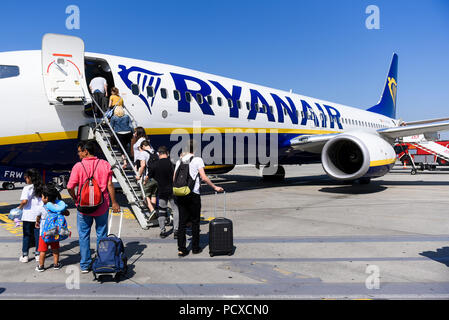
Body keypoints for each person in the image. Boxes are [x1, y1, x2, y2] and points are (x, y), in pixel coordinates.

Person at [67, 140, 120, 273]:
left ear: (86, 151)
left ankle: (85, 265)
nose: (78, 154)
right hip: (101, 206)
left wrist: (75, 198)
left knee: (84, 235)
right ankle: (101, 260)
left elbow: (69, 186)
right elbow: (109, 185)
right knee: (101, 234)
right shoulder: (105, 164)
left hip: (83, 207)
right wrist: (114, 202)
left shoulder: (78, 167)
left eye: (79, 151)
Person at [174, 140, 223, 256]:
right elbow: (204, 177)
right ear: (195, 149)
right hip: (193, 194)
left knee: (181, 222)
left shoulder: (179, 161)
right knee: (195, 221)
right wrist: (214, 187)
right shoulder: (197, 160)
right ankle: (195, 248)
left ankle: (182, 249)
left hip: (180, 194)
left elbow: (174, 178)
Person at [34, 185, 70, 272]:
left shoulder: (42, 207)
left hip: (44, 233)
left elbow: (38, 217)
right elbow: (67, 213)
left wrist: (37, 222)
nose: (41, 198)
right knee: (55, 249)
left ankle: (41, 266)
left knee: (42, 251)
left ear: (46, 198)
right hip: (55, 232)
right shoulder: (58, 207)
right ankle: (56, 264)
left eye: (42, 196)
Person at [147, 146, 179, 238]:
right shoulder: (172, 163)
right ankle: (176, 230)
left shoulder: (155, 164)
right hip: (172, 190)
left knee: (162, 210)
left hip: (161, 190)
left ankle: (163, 231)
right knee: (175, 209)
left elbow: (150, 176)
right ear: (167, 153)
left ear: (159, 154)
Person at [18, 168, 44, 263]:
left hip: (28, 216)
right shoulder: (41, 187)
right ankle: (38, 254)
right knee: (38, 235)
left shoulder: (27, 188)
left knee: (26, 235)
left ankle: (25, 255)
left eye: (26, 178)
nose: (25, 179)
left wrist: (18, 208)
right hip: (38, 215)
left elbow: (24, 201)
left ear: (29, 178)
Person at [138, 139, 158, 218]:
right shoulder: (155, 152)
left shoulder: (143, 153)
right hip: (157, 178)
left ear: (143, 146)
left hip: (148, 177)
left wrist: (139, 175)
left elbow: (143, 165)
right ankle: (154, 209)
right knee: (153, 195)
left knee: (145, 195)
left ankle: (152, 210)